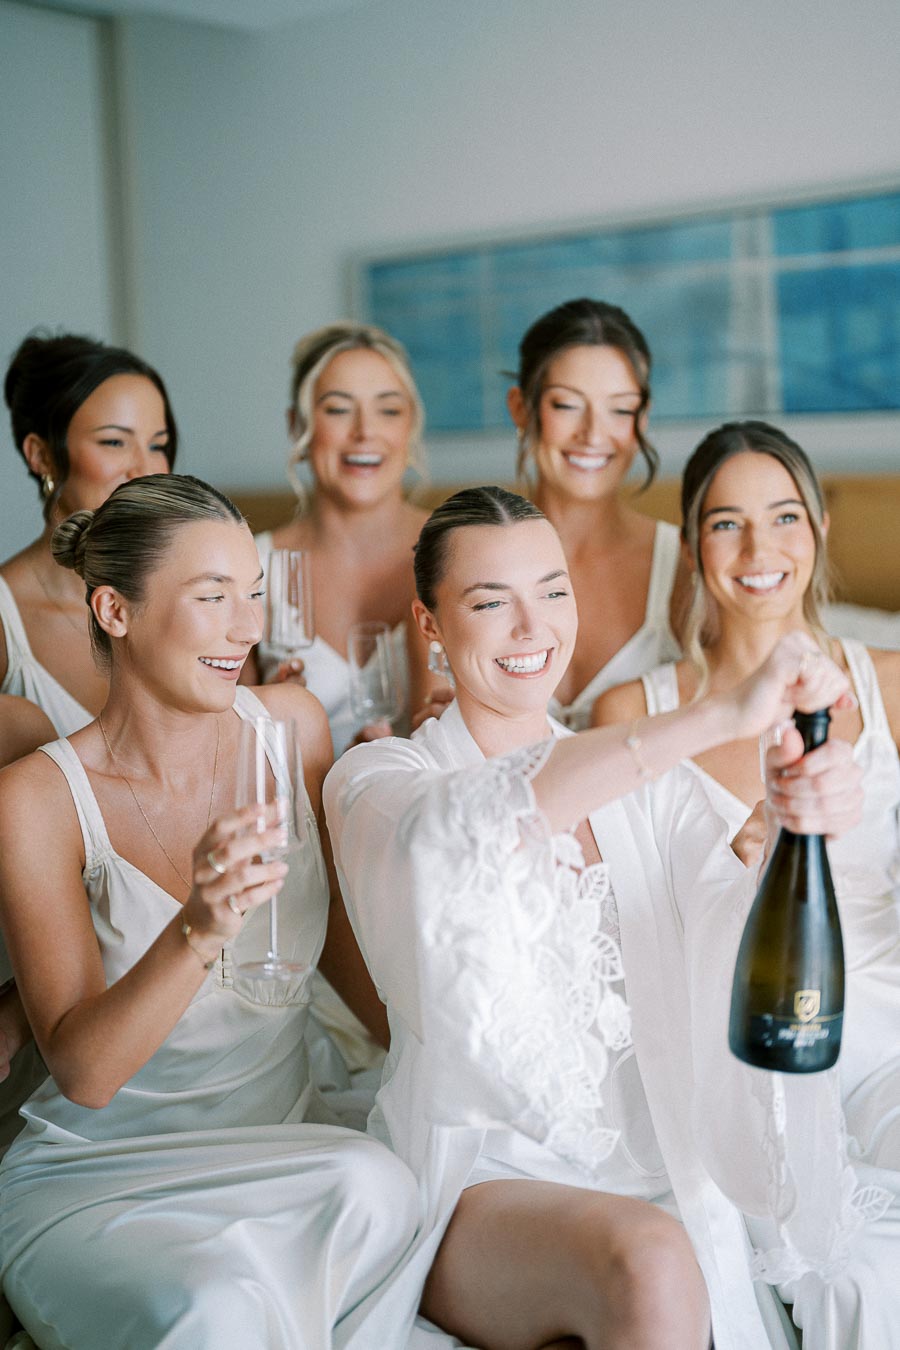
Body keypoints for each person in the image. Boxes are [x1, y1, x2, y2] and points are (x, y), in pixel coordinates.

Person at [324, 485, 891, 1350]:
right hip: (485, 1178)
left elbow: (725, 920)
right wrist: (716, 716)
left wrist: (790, 823)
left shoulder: (647, 789)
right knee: (655, 1263)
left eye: (552, 590)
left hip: (661, 1157)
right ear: (430, 625)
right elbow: (456, 837)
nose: (533, 628)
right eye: (490, 602)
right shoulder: (378, 784)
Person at [0, 475, 416, 1350]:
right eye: (213, 596)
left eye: (255, 593)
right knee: (215, 1313)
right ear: (115, 610)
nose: (249, 627)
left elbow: (343, 948)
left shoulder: (293, 729)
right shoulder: (36, 801)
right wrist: (198, 928)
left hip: (285, 1153)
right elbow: (84, 1071)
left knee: (383, 1183)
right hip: (98, 1177)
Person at [593, 421, 900, 1346]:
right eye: (727, 524)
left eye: (784, 518)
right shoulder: (632, 712)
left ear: (818, 531)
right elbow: (608, 925)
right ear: (692, 547)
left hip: (885, 1037)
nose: (759, 550)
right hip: (733, 1054)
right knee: (841, 1270)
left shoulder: (888, 683)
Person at [249, 321, 434, 756]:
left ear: (410, 426)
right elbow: (222, 750)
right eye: (337, 409)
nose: (365, 431)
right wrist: (258, 712)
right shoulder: (250, 566)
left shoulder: (461, 550)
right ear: (298, 426)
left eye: (388, 409)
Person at [506, 298, 689, 729]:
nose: (592, 434)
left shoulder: (685, 564)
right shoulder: (462, 558)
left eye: (621, 409)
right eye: (567, 405)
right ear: (521, 408)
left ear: (642, 419)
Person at [1, 331, 177, 745]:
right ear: (41, 454)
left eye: (159, 445)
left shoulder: (185, 597)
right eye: (114, 441)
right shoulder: (7, 620)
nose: (145, 469)